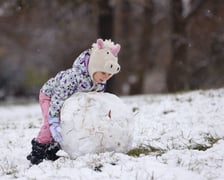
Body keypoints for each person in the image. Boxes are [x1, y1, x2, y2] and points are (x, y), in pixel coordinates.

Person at [27, 38, 121, 165]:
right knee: (52, 126)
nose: (105, 77)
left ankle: (51, 150)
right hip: (50, 96)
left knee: (66, 125)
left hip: (67, 102)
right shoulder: (73, 77)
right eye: (103, 73)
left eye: (109, 75)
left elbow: (95, 99)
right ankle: (37, 150)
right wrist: (54, 119)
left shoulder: (99, 82)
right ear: (93, 66)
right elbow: (58, 97)